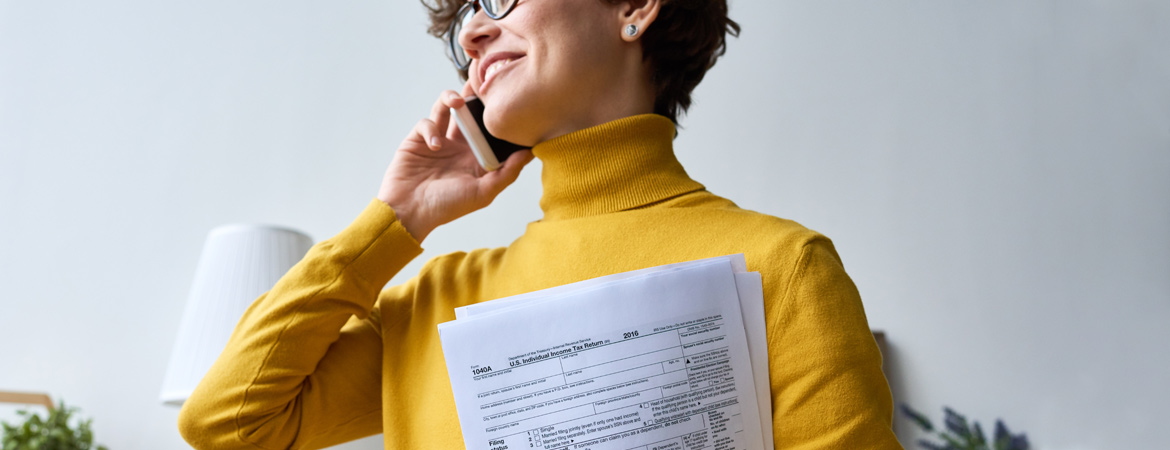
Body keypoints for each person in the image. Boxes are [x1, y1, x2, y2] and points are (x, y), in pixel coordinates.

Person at [177, 0, 903, 448]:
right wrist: (394, 222)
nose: (476, 34)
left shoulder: (783, 265)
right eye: (469, 15)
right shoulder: (436, 299)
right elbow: (227, 423)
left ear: (635, 5)